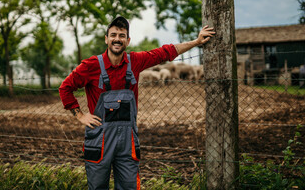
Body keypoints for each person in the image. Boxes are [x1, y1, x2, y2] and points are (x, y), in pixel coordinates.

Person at [59, 16, 215, 190]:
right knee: (97, 187)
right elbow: (65, 88)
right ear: (106, 38)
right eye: (113, 35)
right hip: (99, 139)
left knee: (129, 186)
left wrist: (196, 41)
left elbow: (165, 52)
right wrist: (79, 115)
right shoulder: (91, 65)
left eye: (121, 35)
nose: (117, 39)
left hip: (128, 140)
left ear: (128, 40)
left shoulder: (135, 61)